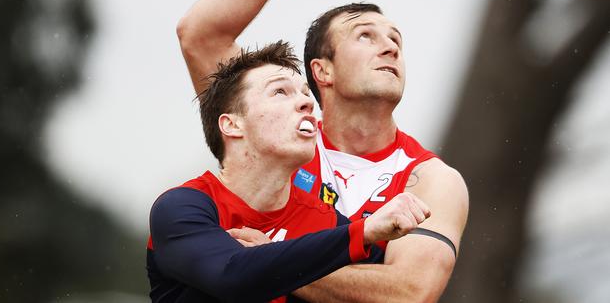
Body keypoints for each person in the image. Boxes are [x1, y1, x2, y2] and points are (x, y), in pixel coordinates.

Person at [176, 0, 469, 302]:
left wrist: (267, 262)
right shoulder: (273, 137)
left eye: (396, 40)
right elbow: (201, 35)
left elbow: (407, 295)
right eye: (365, 35)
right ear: (322, 71)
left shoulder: (431, 180)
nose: (391, 47)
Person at [146, 42, 431, 302]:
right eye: (280, 91)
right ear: (232, 125)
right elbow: (231, 277)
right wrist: (363, 231)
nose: (308, 103)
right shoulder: (182, 207)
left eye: (306, 94)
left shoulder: (328, 222)